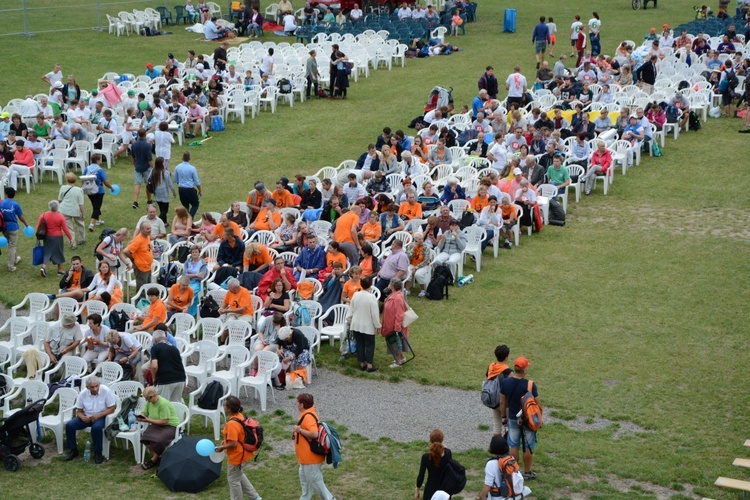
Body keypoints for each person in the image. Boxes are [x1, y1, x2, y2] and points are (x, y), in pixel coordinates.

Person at [500, 356, 541, 480]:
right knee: (528, 446)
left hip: (513, 418)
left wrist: (503, 417)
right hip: (528, 420)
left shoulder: (506, 382)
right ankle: (527, 472)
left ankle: (514, 471)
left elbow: (502, 402)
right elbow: (538, 404)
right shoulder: (530, 384)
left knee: (514, 445)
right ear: (524, 370)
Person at [215, 396, 263, 500]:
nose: (223, 407)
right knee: (238, 475)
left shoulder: (232, 424)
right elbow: (239, 435)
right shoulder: (240, 416)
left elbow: (234, 443)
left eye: (224, 405)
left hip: (237, 456)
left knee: (233, 480)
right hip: (245, 453)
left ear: (229, 409)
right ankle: (255, 497)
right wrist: (226, 441)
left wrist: (222, 447)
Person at [64, 376, 117, 464]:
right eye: (92, 387)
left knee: (96, 428)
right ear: (87, 387)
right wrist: (82, 417)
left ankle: (98, 452)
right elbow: (79, 411)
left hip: (101, 416)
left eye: (97, 386)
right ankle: (73, 450)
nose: (95, 389)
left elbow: (112, 408)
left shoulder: (105, 391)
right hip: (87, 416)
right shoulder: (83, 394)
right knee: (69, 425)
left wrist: (98, 415)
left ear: (99, 384)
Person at [293, 393, 335, 500]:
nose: (296, 404)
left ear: (302, 405)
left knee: (316, 482)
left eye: (297, 402)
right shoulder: (310, 413)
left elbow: (314, 434)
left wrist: (299, 430)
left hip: (310, 459)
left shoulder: (308, 417)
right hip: (306, 459)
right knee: (305, 480)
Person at [138, 386, 180, 470]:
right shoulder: (149, 402)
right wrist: (141, 417)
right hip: (156, 424)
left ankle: (154, 459)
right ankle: (158, 456)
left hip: (170, 426)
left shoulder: (163, 404)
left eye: (148, 399)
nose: (147, 401)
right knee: (145, 438)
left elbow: (164, 421)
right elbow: (144, 412)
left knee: (159, 440)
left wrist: (148, 420)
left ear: (153, 396)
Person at [346, 276, 381, 371]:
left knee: (360, 343)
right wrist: (378, 325)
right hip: (368, 325)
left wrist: (348, 320)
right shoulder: (371, 297)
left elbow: (351, 309)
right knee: (370, 345)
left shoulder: (356, 295)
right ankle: (369, 365)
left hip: (356, 324)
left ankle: (362, 363)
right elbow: (375, 314)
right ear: (370, 285)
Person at [37, 200, 75, 278]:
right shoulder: (60, 216)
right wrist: (71, 239)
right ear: (58, 207)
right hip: (57, 237)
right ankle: (60, 270)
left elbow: (38, 226)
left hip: (47, 237)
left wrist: (37, 235)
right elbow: (65, 229)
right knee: (59, 252)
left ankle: (44, 267)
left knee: (48, 252)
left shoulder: (43, 215)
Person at [148, 330, 186, 402]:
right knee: (176, 404)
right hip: (180, 378)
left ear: (154, 340)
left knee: (161, 403)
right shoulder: (174, 348)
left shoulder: (155, 348)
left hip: (166, 380)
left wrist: (154, 378)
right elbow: (180, 364)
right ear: (165, 338)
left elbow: (154, 366)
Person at [415, 429, 452, 500]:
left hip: (430, 490)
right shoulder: (448, 453)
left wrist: (417, 489)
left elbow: (421, 475)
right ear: (442, 440)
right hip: (444, 490)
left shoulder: (426, 457)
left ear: (430, 441)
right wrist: (446, 449)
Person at [381, 278, 411, 367]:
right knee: (396, 341)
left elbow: (399, 314)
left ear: (393, 286)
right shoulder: (394, 295)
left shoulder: (397, 298)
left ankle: (397, 361)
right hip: (391, 323)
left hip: (394, 325)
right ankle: (401, 357)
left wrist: (397, 326)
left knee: (395, 342)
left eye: (390, 283)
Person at [485, 345, 513, 436]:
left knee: (497, 427)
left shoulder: (491, 366)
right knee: (509, 428)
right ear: (506, 357)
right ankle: (507, 448)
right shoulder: (508, 372)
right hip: (504, 403)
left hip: (493, 400)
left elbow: (487, 380)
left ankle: (496, 447)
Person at [1, 187, 29, 272]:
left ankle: (16, 258)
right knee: (12, 246)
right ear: (14, 194)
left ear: (6, 194)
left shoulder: (1, 203)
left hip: (3, 227)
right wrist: (26, 224)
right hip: (13, 228)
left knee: (10, 243)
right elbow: (20, 217)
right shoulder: (15, 204)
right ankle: (11, 266)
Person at [82, 154, 112, 231]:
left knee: (94, 205)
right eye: (100, 160)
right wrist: (111, 187)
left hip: (89, 190)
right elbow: (105, 182)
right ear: (98, 161)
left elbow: (82, 179)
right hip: (99, 191)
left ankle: (98, 220)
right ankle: (91, 224)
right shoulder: (100, 170)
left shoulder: (87, 168)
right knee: (96, 207)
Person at [123, 221, 153, 293]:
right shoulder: (138, 240)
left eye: (150, 228)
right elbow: (126, 251)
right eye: (147, 229)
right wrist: (133, 259)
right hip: (141, 268)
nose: (150, 230)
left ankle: (147, 302)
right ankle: (139, 303)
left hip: (148, 266)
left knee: (148, 288)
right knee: (142, 289)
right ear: (142, 230)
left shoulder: (147, 236)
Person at [173, 151, 203, 218]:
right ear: (190, 158)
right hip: (190, 189)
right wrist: (200, 190)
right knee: (195, 204)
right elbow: (197, 181)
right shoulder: (192, 168)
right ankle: (189, 218)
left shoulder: (178, 167)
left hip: (181, 189)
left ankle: (185, 219)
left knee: (185, 206)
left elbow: (175, 179)